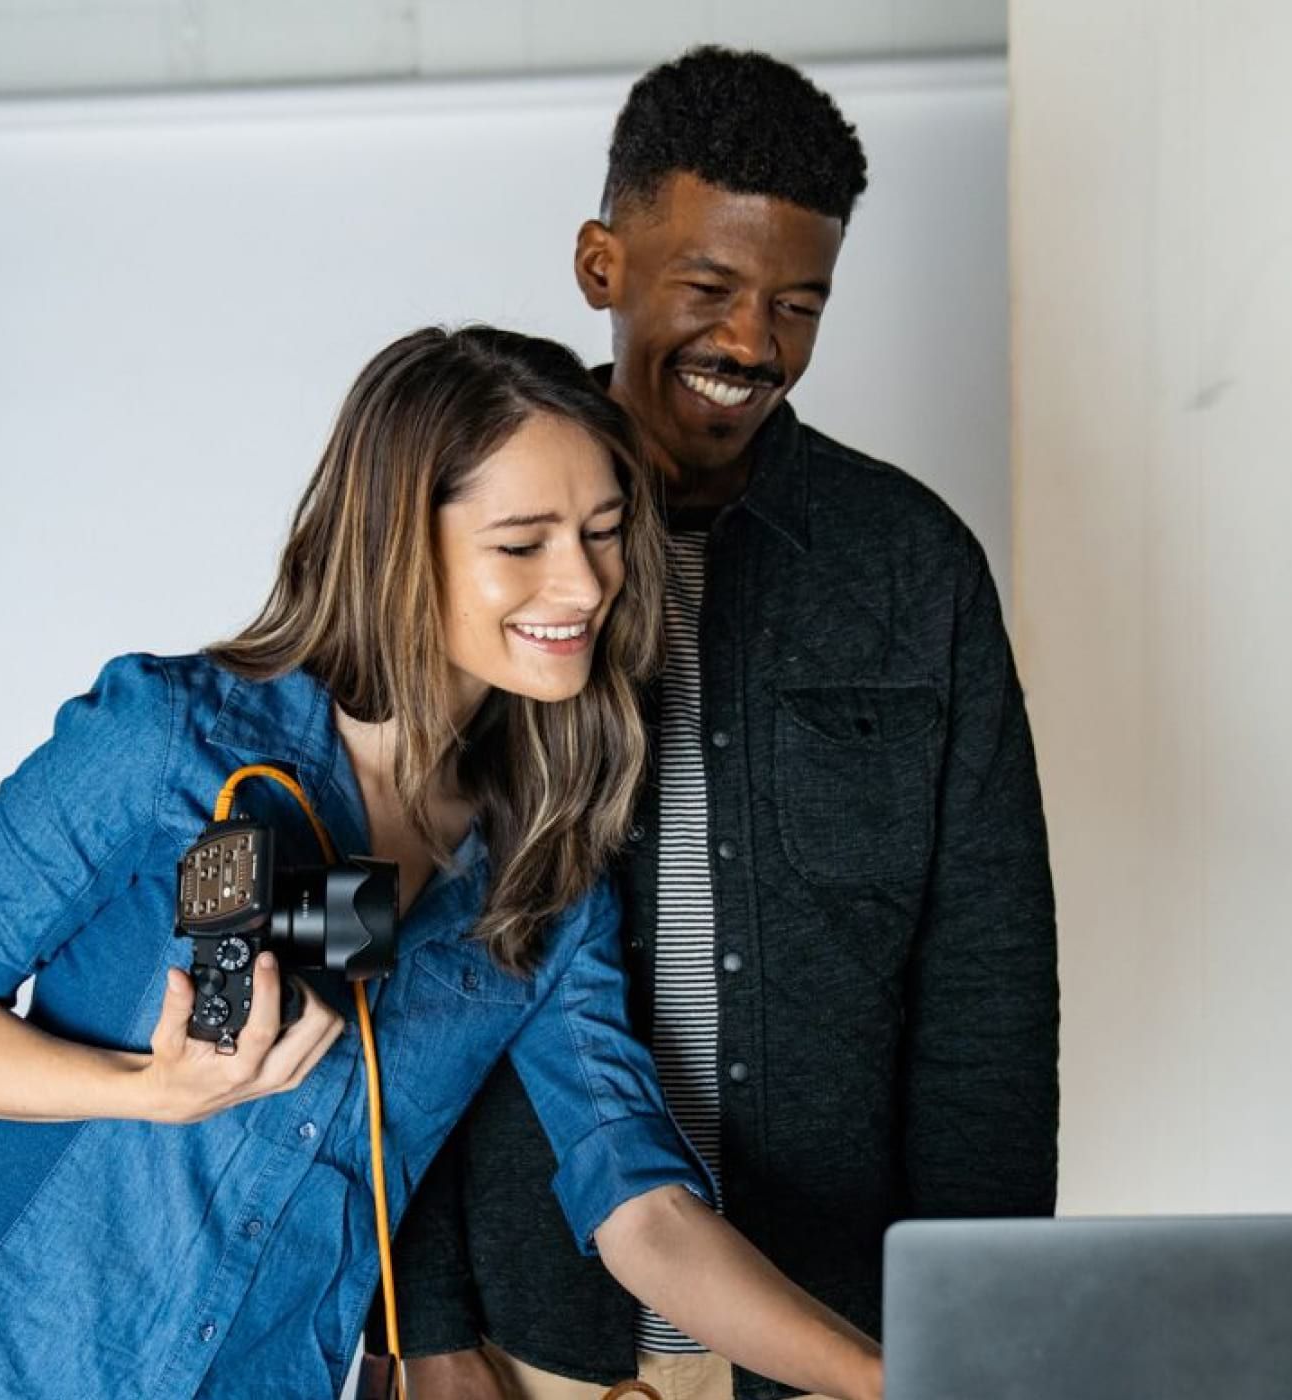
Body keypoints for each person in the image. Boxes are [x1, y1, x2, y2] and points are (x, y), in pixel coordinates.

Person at [0, 326, 885, 1400]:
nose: (585, 583)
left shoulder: (542, 876)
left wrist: (894, 1377)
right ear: (396, 542)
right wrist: (151, 1087)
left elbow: (643, 1212)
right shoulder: (165, 740)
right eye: (523, 543)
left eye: (604, 532)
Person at [396, 50, 1060, 1400]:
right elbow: (399, 978)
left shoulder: (911, 567)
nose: (753, 341)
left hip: (828, 1341)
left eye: (798, 303)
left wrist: (977, 1334)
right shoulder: (474, 553)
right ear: (602, 264)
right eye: (708, 288)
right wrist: (426, 1323)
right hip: (526, 1337)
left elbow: (987, 996)